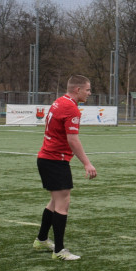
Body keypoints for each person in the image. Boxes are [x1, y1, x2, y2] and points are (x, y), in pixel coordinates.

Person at [33, 75, 98, 260]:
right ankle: (59, 251)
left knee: (54, 202)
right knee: (63, 203)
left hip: (47, 158)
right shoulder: (71, 108)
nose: (89, 93)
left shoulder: (59, 101)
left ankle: (42, 239)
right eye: (87, 89)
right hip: (55, 160)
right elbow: (72, 139)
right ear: (77, 90)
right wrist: (87, 163)